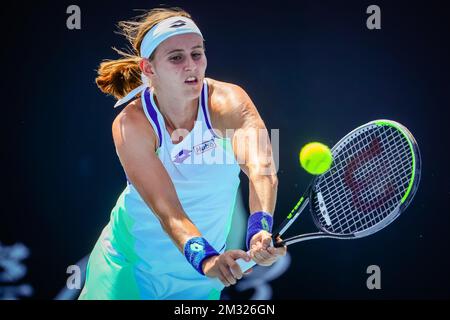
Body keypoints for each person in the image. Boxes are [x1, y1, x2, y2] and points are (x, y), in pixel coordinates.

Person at [78, 7, 286, 300]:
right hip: (128, 268)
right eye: (176, 57)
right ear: (149, 68)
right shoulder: (132, 124)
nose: (191, 65)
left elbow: (262, 168)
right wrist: (207, 259)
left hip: (200, 280)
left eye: (197, 54)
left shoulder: (228, 101)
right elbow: (168, 212)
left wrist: (259, 228)